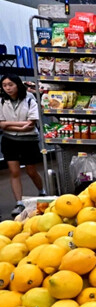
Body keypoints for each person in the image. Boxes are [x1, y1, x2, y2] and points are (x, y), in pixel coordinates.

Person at [0, 74, 45, 216]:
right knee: (14, 172)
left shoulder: (29, 99)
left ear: (18, 85)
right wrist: (20, 127)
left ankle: (41, 192)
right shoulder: (1, 101)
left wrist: (8, 125)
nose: (8, 88)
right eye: (5, 85)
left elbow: (31, 122)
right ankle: (19, 203)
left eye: (11, 84)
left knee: (31, 171)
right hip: (9, 140)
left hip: (28, 140)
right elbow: (1, 124)